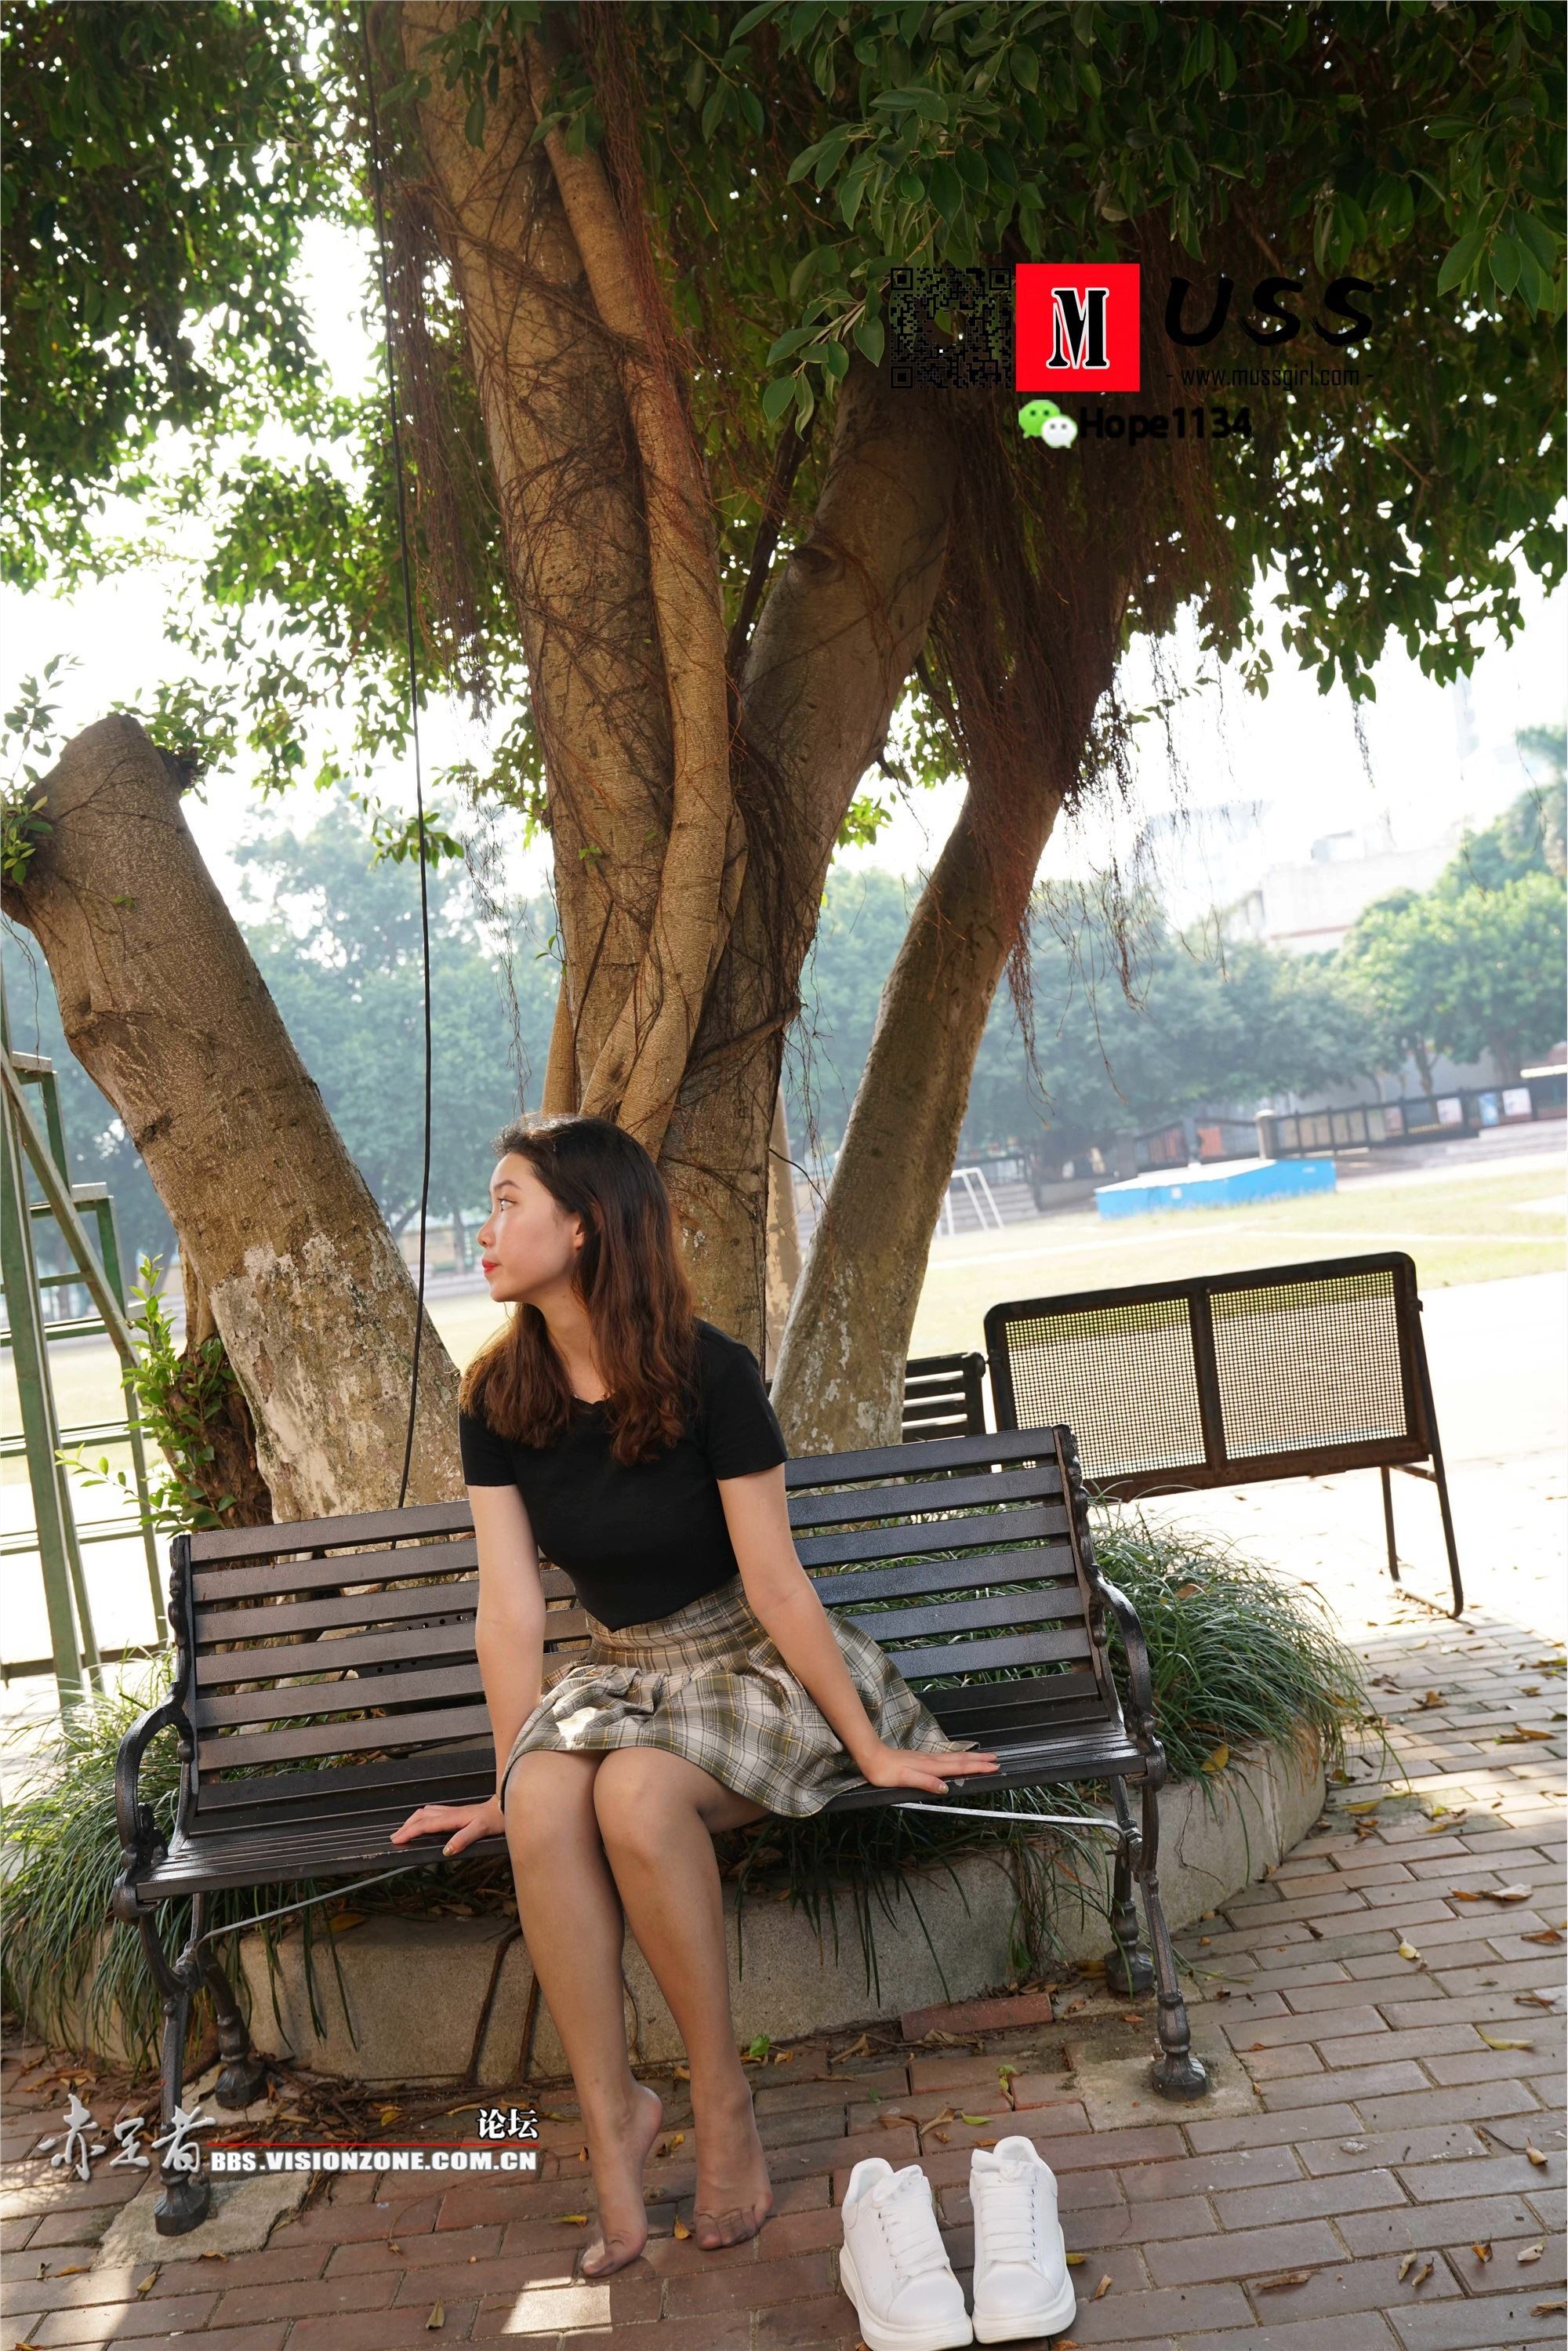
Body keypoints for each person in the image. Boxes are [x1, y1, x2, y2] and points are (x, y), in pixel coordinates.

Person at [390, 1113, 998, 2280]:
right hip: (618, 1674)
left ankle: (723, 2108)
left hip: (742, 1667)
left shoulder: (709, 1370)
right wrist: (504, 1780)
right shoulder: (496, 1394)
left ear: (584, 1222)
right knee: (548, 1800)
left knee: (629, 1798)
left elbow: (775, 1579)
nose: (485, 1224)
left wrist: (869, 1745)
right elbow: (511, 1610)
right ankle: (611, 2114)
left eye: (508, 1198)